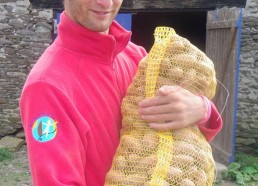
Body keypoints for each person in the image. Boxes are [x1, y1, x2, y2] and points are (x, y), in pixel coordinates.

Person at [19, 0, 222, 185]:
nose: (105, 2)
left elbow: (181, 137)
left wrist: (202, 110)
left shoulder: (137, 57)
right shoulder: (47, 86)